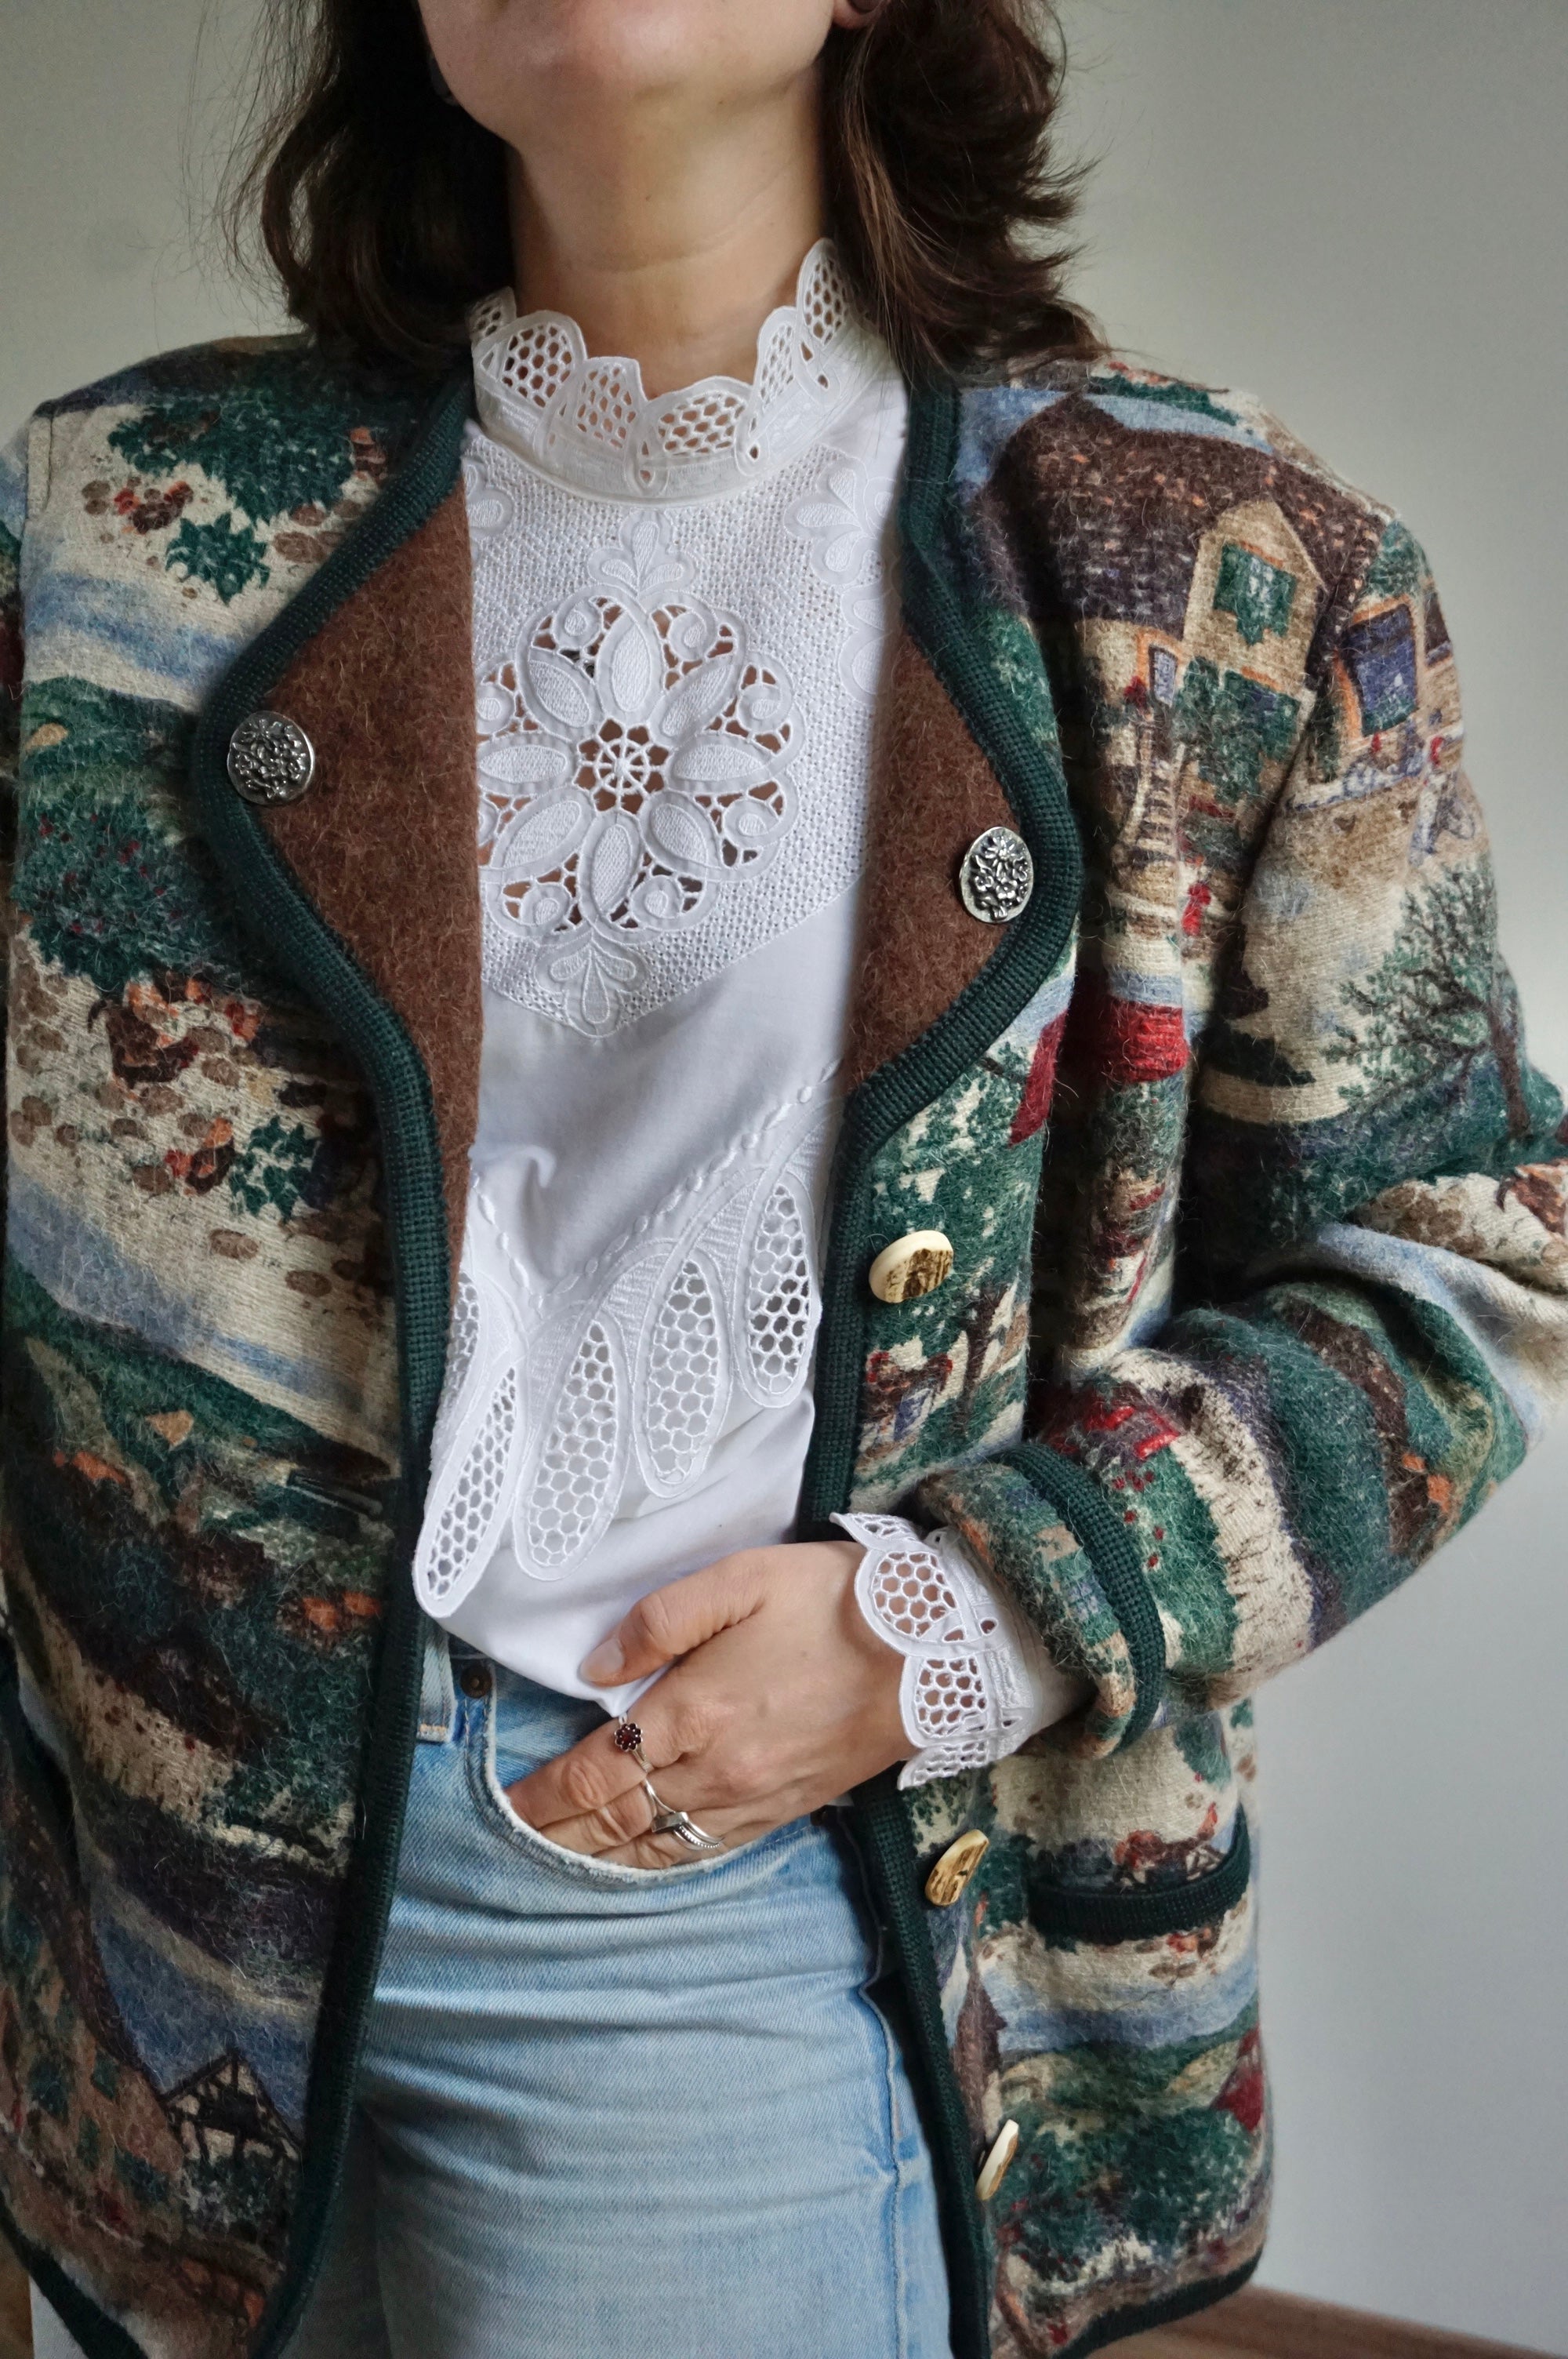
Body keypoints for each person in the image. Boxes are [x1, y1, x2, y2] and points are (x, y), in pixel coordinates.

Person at [3, 1, 1564, 2354]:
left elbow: (1463, 1258)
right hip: (159, 1923)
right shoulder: (113, 522)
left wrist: (970, 1618)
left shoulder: (1222, 572)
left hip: (722, 1879)